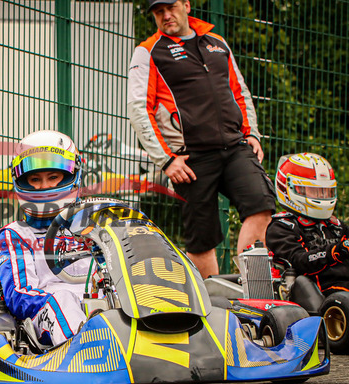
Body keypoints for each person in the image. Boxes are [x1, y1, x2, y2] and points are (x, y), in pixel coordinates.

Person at [127, 0, 275, 279]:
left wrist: (251, 133)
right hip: (189, 158)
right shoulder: (148, 51)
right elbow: (138, 108)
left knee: (261, 205)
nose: (166, 15)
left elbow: (239, 91)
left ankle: (252, 289)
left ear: (186, 5)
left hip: (235, 146)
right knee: (201, 238)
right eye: (158, 12)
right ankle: (212, 300)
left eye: (171, 7)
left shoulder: (217, 43)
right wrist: (166, 160)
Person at [0, 130, 90, 347]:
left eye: (53, 177)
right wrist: (55, 298)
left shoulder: (92, 226)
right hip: (47, 309)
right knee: (64, 299)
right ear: (22, 181)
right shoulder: (16, 234)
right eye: (35, 179)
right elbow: (19, 294)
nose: (44, 186)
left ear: (73, 175)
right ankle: (84, 352)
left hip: (99, 306)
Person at [266, 153, 349, 295]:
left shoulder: (337, 226)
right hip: (315, 294)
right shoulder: (282, 227)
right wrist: (335, 251)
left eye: (325, 191)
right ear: (290, 188)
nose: (321, 196)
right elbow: (299, 261)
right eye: (315, 191)